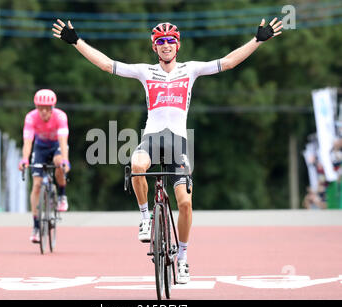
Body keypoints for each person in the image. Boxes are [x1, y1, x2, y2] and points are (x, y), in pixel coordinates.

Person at [52, 18, 282, 283]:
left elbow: (227, 62)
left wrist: (257, 41)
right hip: (151, 138)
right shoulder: (145, 72)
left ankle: (183, 258)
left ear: (178, 45)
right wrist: (76, 41)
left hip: (178, 143)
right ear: (154, 47)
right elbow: (106, 65)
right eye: (160, 42)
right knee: (137, 166)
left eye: (170, 41)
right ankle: (145, 218)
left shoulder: (191, 69)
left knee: (185, 204)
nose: (165, 45)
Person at [18, 89, 70, 243]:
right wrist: (24, 159)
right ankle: (35, 226)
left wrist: (65, 160)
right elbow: (28, 141)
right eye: (41, 108)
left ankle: (61, 195)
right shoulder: (30, 118)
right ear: (37, 107)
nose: (44, 112)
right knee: (36, 185)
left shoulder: (60, 116)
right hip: (40, 147)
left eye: (47, 108)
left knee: (58, 162)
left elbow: (63, 139)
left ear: (53, 108)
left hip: (56, 146)